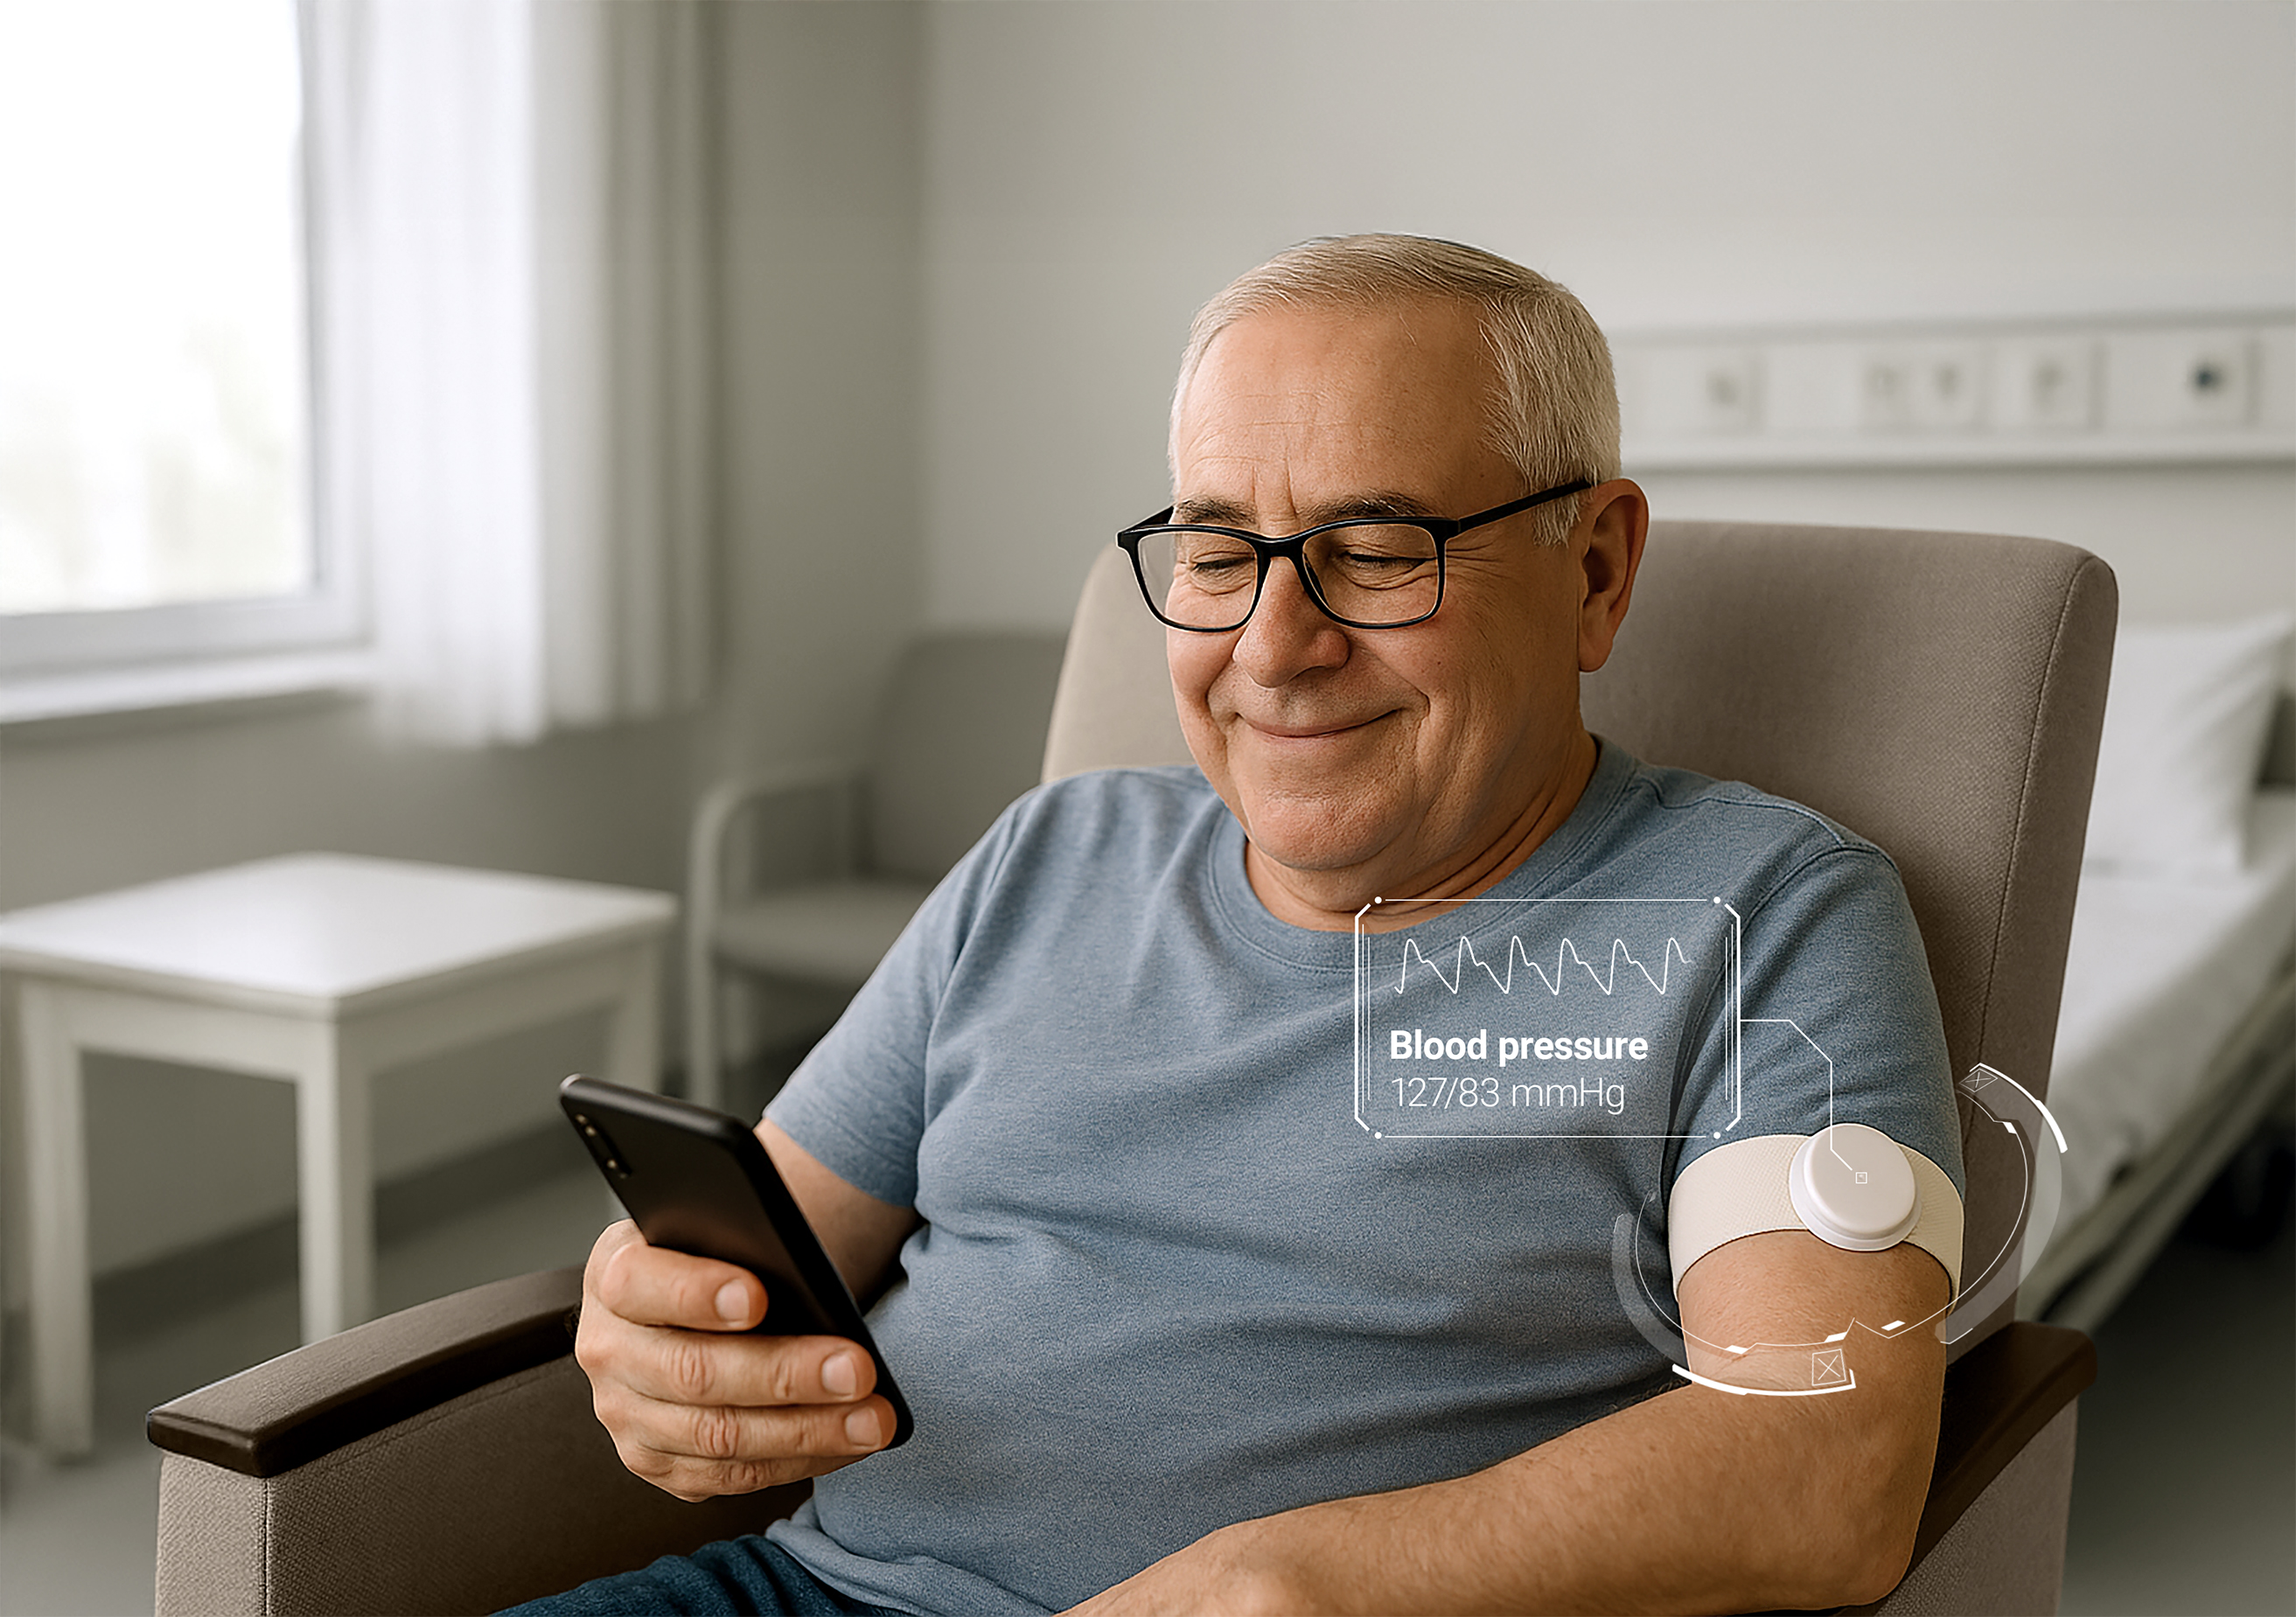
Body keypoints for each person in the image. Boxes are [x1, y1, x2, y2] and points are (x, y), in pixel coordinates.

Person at [548, 235, 1964, 1617]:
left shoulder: (1764, 914)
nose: (1274, 648)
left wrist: (1278, 1582)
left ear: (1592, 569)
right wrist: (661, 1325)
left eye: (1372, 548)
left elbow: (1825, 1464)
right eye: (1220, 553)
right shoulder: (1048, 852)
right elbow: (767, 1249)